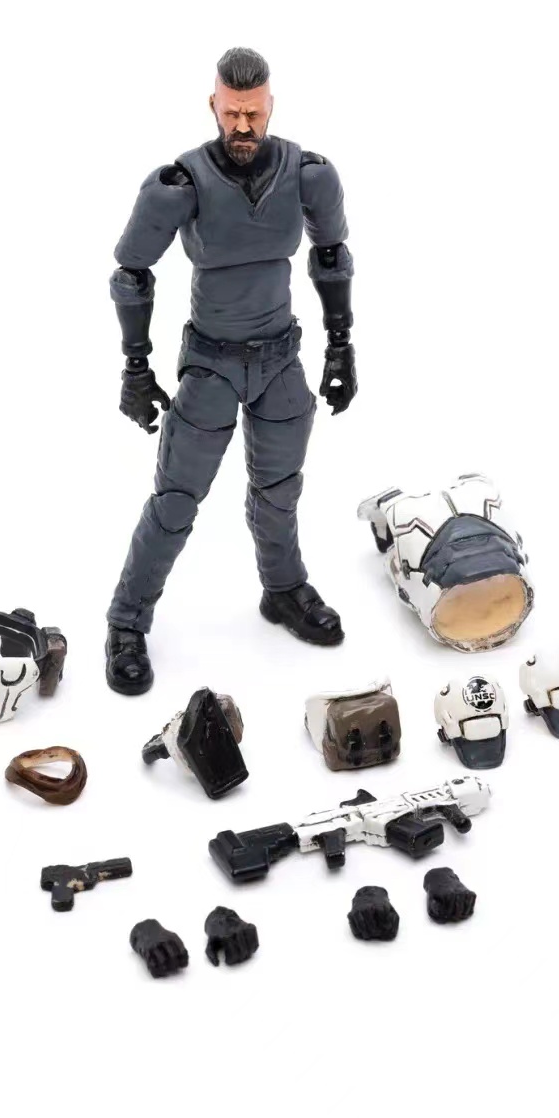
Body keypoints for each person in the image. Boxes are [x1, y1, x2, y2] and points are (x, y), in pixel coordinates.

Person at [104, 47, 357, 693]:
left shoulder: (308, 175)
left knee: (280, 491)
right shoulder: (181, 184)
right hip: (211, 366)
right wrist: (136, 367)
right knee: (175, 502)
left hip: (279, 362)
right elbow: (132, 273)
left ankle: (284, 588)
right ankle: (127, 620)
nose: (243, 126)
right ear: (213, 106)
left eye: (254, 113)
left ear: (270, 107)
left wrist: (341, 344)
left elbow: (332, 254)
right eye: (231, 113)